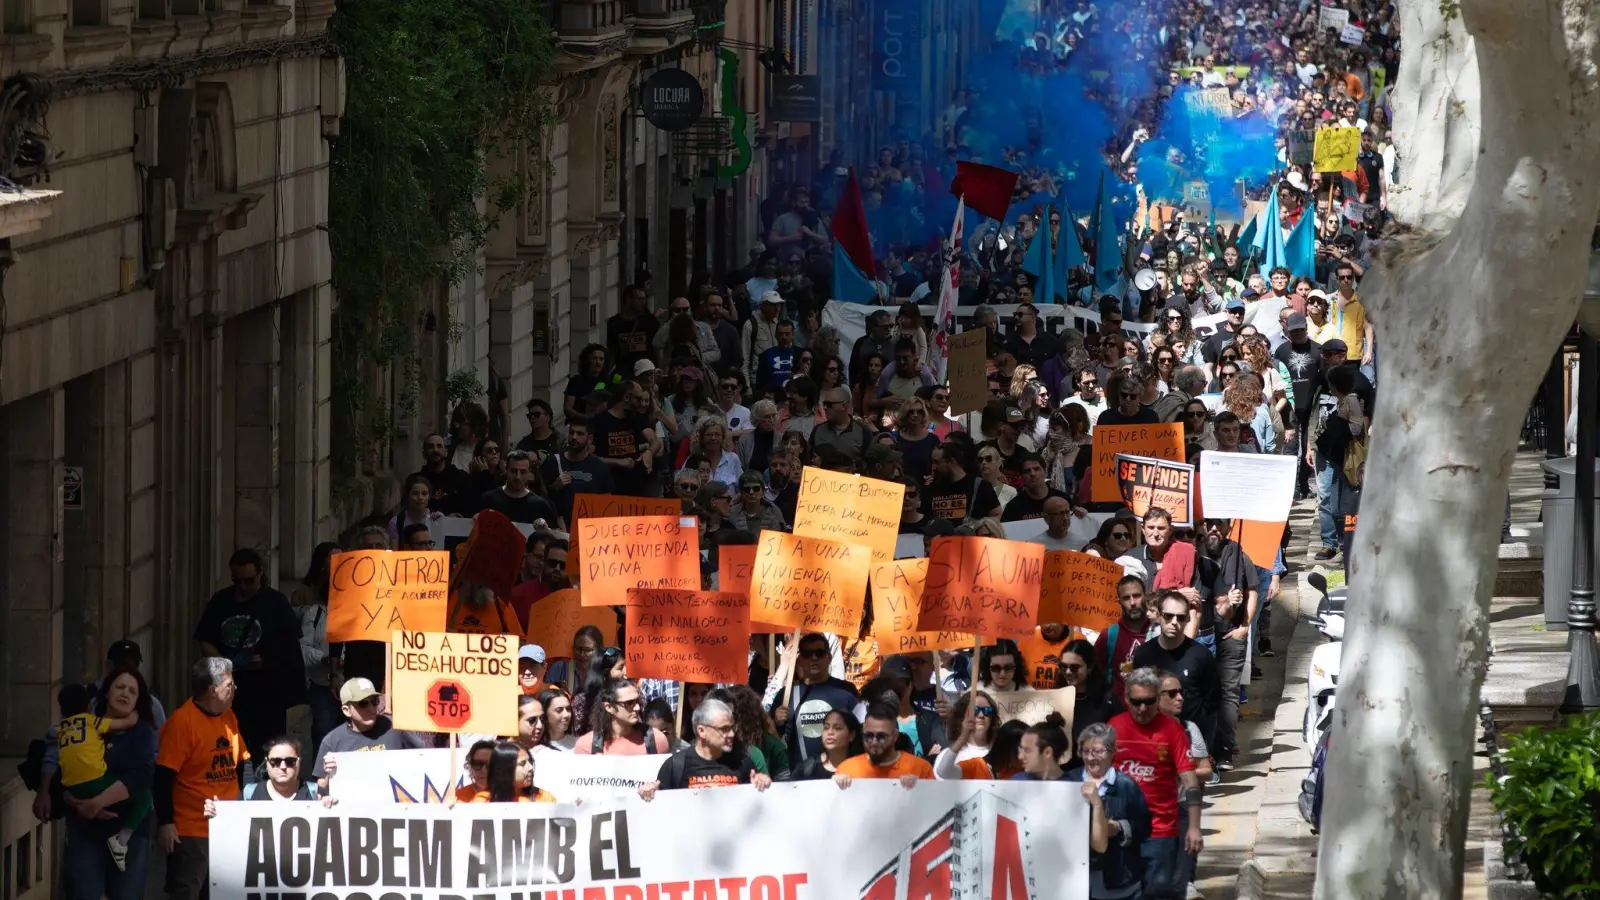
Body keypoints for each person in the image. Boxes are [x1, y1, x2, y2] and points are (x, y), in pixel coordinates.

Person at [57, 667, 159, 900]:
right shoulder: (81, 725)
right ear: (106, 692)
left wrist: (96, 803)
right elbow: (60, 770)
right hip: (86, 830)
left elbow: (142, 776)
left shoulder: (142, 731)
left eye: (132, 691)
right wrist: (71, 800)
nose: (125, 693)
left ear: (138, 700)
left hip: (130, 833)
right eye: (120, 687)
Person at [193, 547, 304, 759]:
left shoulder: (276, 602)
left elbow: (291, 644)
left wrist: (268, 659)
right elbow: (205, 639)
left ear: (260, 573)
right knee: (231, 752)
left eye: (249, 581)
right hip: (231, 693)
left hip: (268, 694)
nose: (243, 587)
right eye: (238, 581)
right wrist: (223, 665)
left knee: (269, 754)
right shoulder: (221, 601)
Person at [156, 658, 250, 900]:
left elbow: (240, 763)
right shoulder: (182, 723)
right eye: (230, 684)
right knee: (187, 890)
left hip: (226, 823)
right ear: (212, 690)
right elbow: (163, 776)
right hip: (192, 828)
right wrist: (166, 822)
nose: (235, 688)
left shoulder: (228, 715)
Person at [1112, 667, 1204, 898]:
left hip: (1161, 831)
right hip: (1121, 829)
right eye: (1136, 702)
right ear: (1126, 699)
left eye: (1149, 701)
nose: (1142, 708)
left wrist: (1194, 827)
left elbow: (1190, 781)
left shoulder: (1173, 730)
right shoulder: (1113, 727)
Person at [53, 682, 147, 868]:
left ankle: (98, 809)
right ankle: (121, 841)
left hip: (72, 787)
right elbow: (127, 722)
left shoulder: (60, 729)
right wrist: (136, 712)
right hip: (96, 781)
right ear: (89, 706)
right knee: (144, 797)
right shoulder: (91, 721)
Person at [1064, 722, 1154, 900]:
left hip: (1118, 880)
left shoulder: (1126, 785)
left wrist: (1121, 827)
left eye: (1098, 751)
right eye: (1086, 751)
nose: (1091, 758)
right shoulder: (1069, 781)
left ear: (1112, 752)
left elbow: (1144, 827)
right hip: (1076, 876)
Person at [1134, 592, 1222, 764]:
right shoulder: (1144, 654)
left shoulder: (1201, 656)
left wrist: (1207, 747)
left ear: (1188, 619)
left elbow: (1212, 704)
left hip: (1191, 743)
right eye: (1168, 616)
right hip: (1152, 742)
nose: (1174, 622)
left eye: (1180, 617)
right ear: (1159, 616)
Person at [312, 677, 427, 791]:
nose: (371, 708)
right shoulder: (331, 742)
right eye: (363, 703)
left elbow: (424, 757)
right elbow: (320, 789)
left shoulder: (394, 726)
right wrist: (328, 775)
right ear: (346, 710)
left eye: (374, 701)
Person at [638, 698, 775, 795]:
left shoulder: (743, 763)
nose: (732, 734)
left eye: (732, 728)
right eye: (724, 729)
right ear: (701, 731)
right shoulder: (674, 766)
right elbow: (662, 813)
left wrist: (761, 786)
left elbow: (755, 810)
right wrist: (649, 793)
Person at [767, 632, 860, 764]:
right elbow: (770, 739)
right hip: (800, 773)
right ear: (799, 660)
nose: (814, 658)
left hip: (840, 771)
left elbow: (860, 732)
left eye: (819, 653)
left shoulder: (847, 691)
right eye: (807, 654)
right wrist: (776, 721)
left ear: (829, 657)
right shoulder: (787, 694)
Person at [832, 703, 934, 788]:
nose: (874, 742)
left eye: (881, 737)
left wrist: (920, 788)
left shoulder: (921, 769)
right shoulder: (846, 769)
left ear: (895, 736)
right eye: (869, 736)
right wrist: (834, 786)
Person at [540, 420, 615, 524]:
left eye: (580, 434)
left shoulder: (598, 466)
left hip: (590, 527)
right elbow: (541, 498)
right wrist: (555, 487)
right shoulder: (553, 462)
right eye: (572, 432)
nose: (574, 437)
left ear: (589, 439)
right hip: (561, 528)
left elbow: (607, 501)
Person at [1095, 575, 1155, 704]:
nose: (1132, 603)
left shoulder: (1158, 632)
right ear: (1119, 601)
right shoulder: (1109, 635)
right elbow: (1096, 674)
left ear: (1145, 596)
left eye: (1137, 596)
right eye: (1126, 598)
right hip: (1119, 710)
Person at [573, 679, 670, 755]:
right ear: (609, 707)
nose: (637, 708)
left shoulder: (656, 740)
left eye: (638, 701)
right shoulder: (587, 745)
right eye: (629, 703)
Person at [788, 708, 863, 781]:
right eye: (826, 727)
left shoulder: (862, 766)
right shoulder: (806, 768)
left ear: (851, 735)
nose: (830, 732)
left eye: (837, 728)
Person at [472, 740, 557, 803]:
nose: (530, 767)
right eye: (522, 764)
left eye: (530, 761)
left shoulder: (545, 799)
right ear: (505, 769)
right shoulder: (483, 801)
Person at [536, 687, 577, 752]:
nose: (566, 715)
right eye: (559, 710)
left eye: (568, 709)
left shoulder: (579, 744)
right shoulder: (535, 749)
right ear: (545, 714)